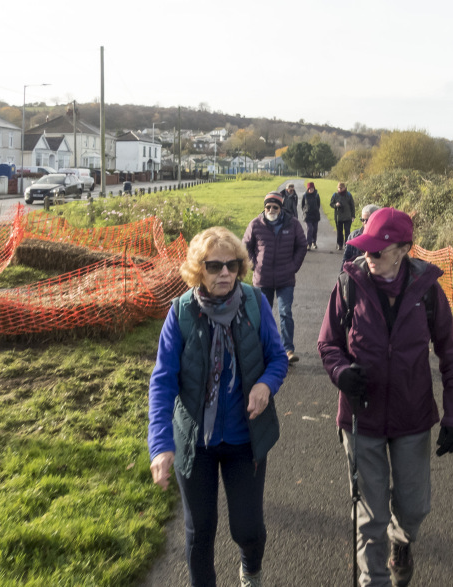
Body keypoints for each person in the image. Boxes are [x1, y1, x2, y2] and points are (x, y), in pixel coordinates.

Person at [318, 208, 453, 587]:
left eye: (378, 250)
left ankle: (403, 542)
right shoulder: (349, 285)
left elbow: (450, 352)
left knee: (413, 507)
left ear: (403, 250)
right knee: (371, 517)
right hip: (361, 418)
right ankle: (376, 580)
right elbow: (328, 343)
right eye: (366, 248)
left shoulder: (428, 292)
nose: (368, 255)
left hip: (412, 416)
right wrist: (341, 373)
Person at [148, 226, 288, 587]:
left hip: (246, 438)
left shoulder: (255, 303)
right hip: (195, 442)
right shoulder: (180, 313)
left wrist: (264, 385)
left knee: (249, 528)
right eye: (214, 266)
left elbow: (277, 358)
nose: (224, 273)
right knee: (200, 532)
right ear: (199, 270)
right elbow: (162, 382)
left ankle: (251, 569)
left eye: (231, 265)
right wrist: (161, 446)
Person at [243, 192, 307, 364]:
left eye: (275, 207)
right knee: (263, 314)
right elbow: (245, 246)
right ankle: (264, 348)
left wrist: (293, 267)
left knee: (285, 312)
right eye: (268, 207)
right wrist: (253, 265)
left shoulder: (292, 224)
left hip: (285, 278)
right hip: (262, 278)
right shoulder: (256, 224)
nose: (271, 210)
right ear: (264, 208)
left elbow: (302, 245)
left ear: (281, 208)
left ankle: (288, 349)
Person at [330, 181, 355, 250]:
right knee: (339, 232)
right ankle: (340, 245)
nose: (340, 189)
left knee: (347, 231)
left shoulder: (349, 195)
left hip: (347, 217)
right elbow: (331, 204)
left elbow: (352, 206)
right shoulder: (335, 195)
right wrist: (336, 205)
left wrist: (353, 216)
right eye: (339, 188)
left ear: (344, 188)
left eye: (341, 188)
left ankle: (347, 245)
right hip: (338, 217)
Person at [301, 181, 321, 250]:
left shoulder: (316, 195)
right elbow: (302, 205)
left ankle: (314, 242)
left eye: (312, 188)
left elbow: (318, 204)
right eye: (310, 188)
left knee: (315, 229)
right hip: (307, 215)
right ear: (308, 189)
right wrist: (305, 211)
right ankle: (308, 244)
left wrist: (315, 210)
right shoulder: (305, 195)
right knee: (310, 229)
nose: (311, 190)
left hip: (315, 215)